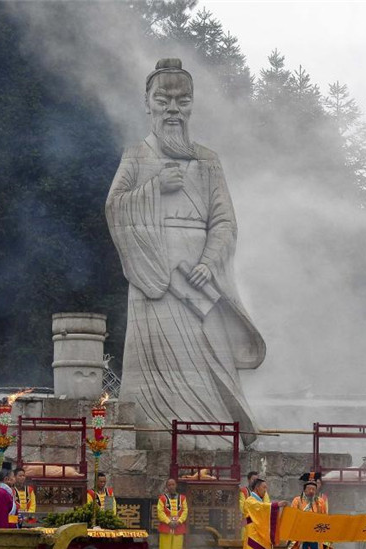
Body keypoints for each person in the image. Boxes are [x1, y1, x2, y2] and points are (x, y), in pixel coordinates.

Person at [105, 58, 266, 448]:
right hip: (155, 275)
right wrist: (155, 187)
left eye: (183, 100)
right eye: (163, 100)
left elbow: (225, 221)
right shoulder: (136, 156)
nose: (173, 110)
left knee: (209, 357)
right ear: (148, 104)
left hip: (197, 280)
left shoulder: (208, 161)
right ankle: (153, 435)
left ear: (192, 105)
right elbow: (114, 207)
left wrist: (208, 263)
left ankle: (214, 439)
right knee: (155, 361)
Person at [287, 475, 329, 549]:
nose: (311, 491)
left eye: (313, 489)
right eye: (309, 489)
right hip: (301, 540)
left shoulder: (320, 502)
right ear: (304, 490)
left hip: (316, 539)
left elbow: (325, 519)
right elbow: (292, 518)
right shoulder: (297, 501)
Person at [157, 478, 188, 549]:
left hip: (179, 526)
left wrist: (179, 521)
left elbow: (185, 511)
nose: (171, 487)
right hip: (166, 525)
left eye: (173, 484)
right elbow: (160, 512)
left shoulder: (183, 498)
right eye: (169, 485)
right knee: (165, 546)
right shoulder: (162, 498)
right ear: (167, 487)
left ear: (176, 485)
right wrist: (168, 521)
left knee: (177, 547)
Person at [240, 471, 269, 538]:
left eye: (256, 480)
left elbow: (267, 505)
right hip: (248, 521)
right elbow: (242, 508)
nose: (255, 481)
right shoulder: (244, 491)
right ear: (248, 480)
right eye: (253, 479)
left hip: (259, 522)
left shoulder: (263, 492)